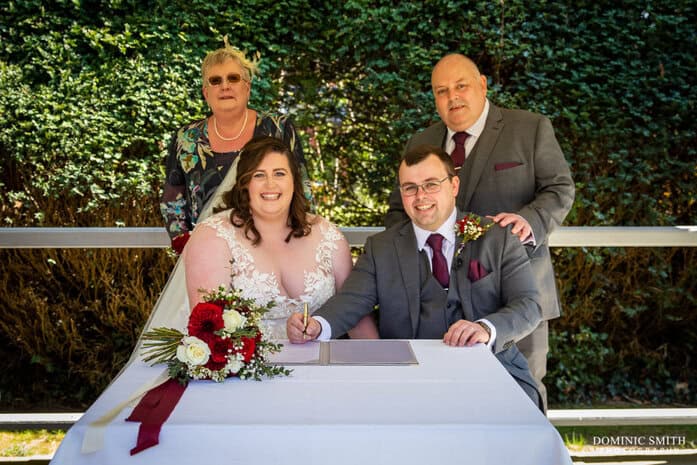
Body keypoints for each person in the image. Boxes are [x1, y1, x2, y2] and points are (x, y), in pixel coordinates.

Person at [384, 54, 575, 408]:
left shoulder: (529, 128)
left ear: (483, 85)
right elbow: (399, 213)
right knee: (443, 401)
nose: (452, 97)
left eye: (461, 86)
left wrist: (530, 220)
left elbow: (560, 189)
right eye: (441, 91)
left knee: (521, 398)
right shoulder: (420, 141)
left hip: (516, 294)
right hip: (435, 302)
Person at [288, 145, 543, 409]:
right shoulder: (381, 248)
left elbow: (529, 305)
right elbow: (351, 301)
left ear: (454, 186)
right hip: (409, 379)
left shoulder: (497, 237)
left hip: (492, 371)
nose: (420, 196)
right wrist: (316, 325)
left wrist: (485, 328)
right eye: (410, 188)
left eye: (431, 184)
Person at [184, 136, 378, 340]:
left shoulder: (329, 236)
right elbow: (208, 329)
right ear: (245, 183)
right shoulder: (214, 236)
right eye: (259, 175)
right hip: (248, 368)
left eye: (279, 173)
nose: (270, 184)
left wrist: (380, 365)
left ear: (293, 181)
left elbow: (355, 313)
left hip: (324, 364)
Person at [160, 37, 311, 254]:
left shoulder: (278, 129)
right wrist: (184, 242)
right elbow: (171, 200)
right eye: (215, 80)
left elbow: (302, 190)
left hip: (272, 251)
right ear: (206, 93)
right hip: (208, 253)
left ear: (247, 88)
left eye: (233, 78)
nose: (225, 86)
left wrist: (300, 242)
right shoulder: (186, 138)